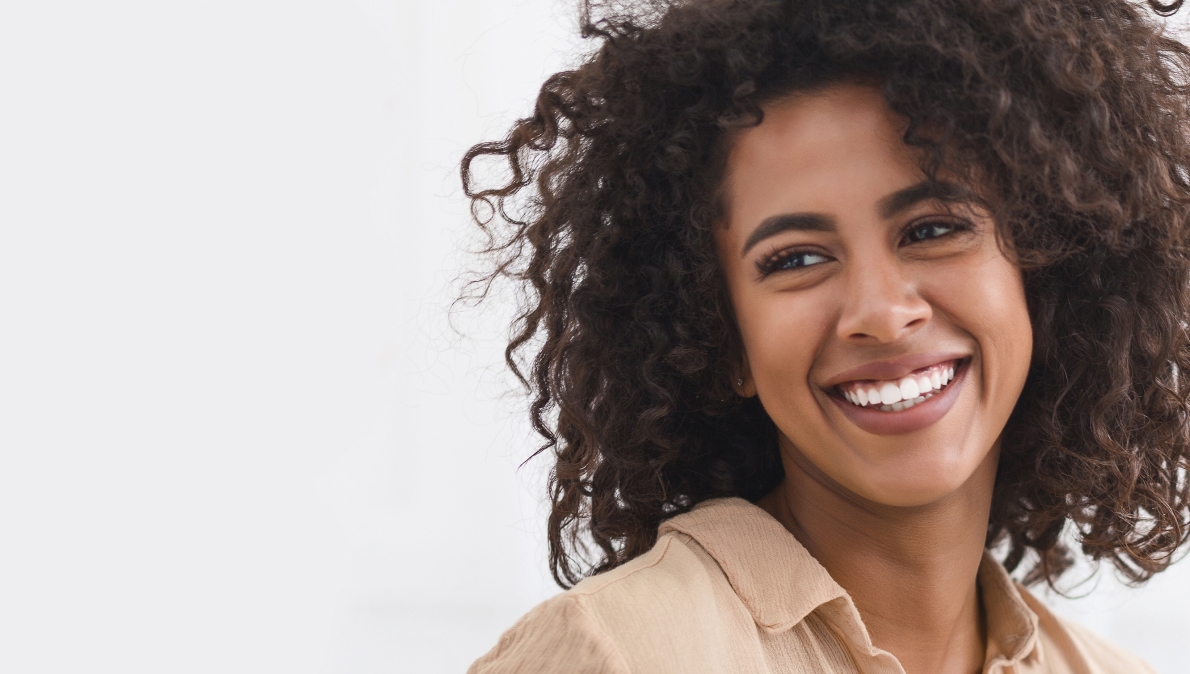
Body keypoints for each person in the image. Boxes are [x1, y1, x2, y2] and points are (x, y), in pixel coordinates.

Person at [460, 0, 1190, 672]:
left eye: (933, 229)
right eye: (797, 259)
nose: (880, 311)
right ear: (721, 337)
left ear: (1046, 270)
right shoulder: (618, 654)